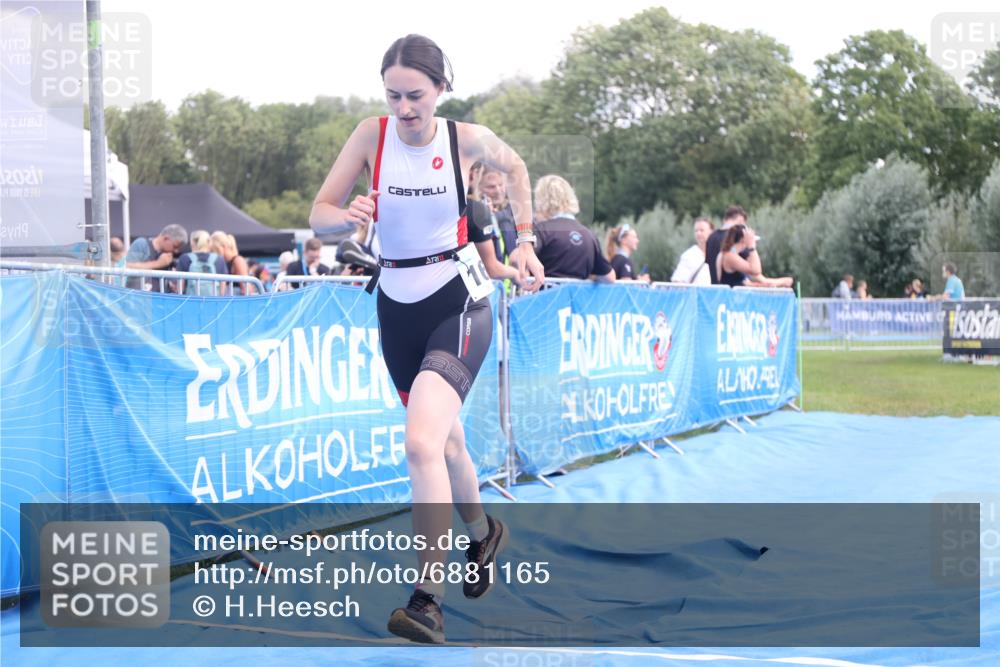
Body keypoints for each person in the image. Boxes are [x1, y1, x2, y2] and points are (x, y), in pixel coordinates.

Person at [308, 34, 544, 645]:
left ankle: (427, 601)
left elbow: (516, 167)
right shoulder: (370, 135)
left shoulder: (465, 139)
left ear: (441, 90)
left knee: (419, 443)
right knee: (447, 445)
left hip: (459, 302)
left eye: (415, 96)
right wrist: (348, 216)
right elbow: (319, 214)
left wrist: (524, 240)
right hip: (396, 307)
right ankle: (483, 533)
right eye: (393, 95)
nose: (404, 108)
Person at [511, 174, 614, 283]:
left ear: (540, 200)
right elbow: (610, 277)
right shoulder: (589, 235)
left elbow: (514, 258)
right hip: (578, 298)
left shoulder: (541, 230)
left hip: (546, 297)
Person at [125, 223, 187, 291]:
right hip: (137, 297)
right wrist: (159, 263)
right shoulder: (141, 244)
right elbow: (128, 266)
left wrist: (174, 284)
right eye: (175, 246)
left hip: (158, 298)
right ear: (166, 238)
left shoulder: (168, 256)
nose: (176, 251)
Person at [479, 165, 517, 263]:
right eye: (491, 187)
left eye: (501, 185)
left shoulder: (515, 213)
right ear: (478, 189)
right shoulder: (473, 217)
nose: (498, 190)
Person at [176, 229, 228, 295]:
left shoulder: (185, 258)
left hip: (191, 302)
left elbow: (180, 288)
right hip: (212, 302)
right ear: (209, 242)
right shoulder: (219, 259)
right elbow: (222, 288)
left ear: (192, 242)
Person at [670, 218, 713, 285]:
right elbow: (677, 281)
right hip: (695, 294)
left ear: (711, 231)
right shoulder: (689, 255)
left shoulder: (718, 253)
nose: (698, 233)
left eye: (702, 230)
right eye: (696, 231)